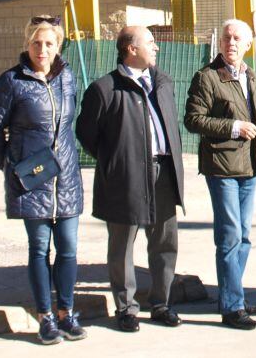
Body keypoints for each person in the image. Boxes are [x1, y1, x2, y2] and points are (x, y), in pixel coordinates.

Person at [0, 15, 86, 345]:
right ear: (27, 44)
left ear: (58, 46)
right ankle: (45, 318)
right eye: (36, 43)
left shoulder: (67, 78)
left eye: (49, 43)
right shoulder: (10, 82)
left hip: (66, 177)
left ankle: (66, 313)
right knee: (40, 248)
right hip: (33, 179)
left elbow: (70, 124)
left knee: (68, 248)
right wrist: (12, 168)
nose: (42, 49)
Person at [75, 26, 186, 333]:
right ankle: (127, 308)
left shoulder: (162, 83)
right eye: (150, 42)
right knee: (122, 244)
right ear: (131, 49)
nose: (157, 48)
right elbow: (87, 135)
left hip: (164, 172)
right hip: (126, 177)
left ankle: (161, 303)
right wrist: (118, 161)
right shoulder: (105, 89)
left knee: (165, 240)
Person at [185, 19, 256, 330]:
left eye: (237, 39)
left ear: (247, 45)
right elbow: (193, 119)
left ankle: (234, 296)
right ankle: (232, 307)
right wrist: (234, 128)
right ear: (219, 43)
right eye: (226, 38)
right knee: (230, 236)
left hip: (248, 167)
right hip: (221, 166)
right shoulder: (207, 77)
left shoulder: (251, 76)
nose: (231, 43)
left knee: (244, 236)